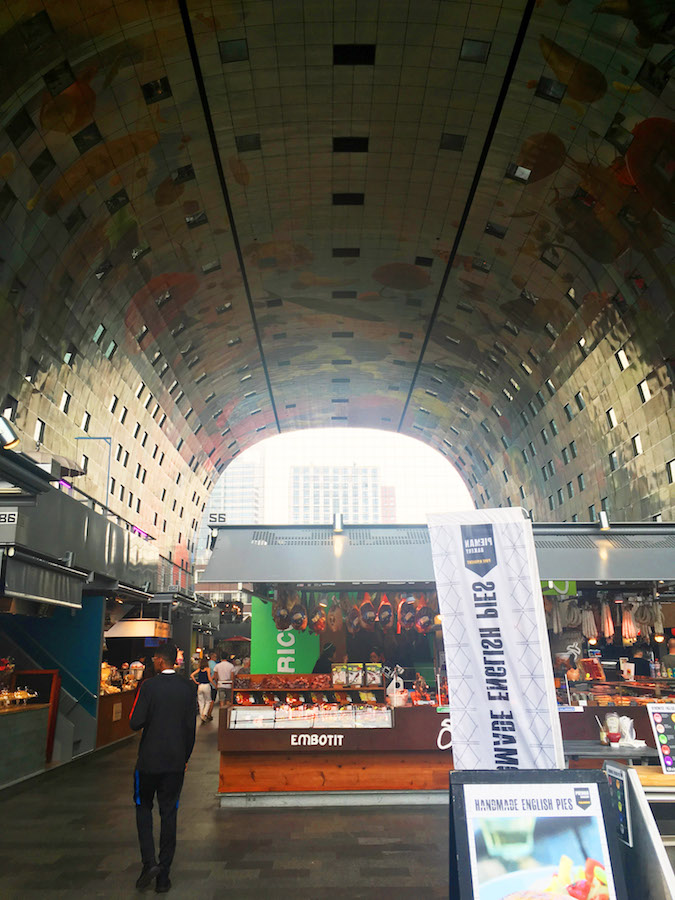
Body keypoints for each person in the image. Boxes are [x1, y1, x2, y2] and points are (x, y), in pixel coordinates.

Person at [129, 642, 196, 894]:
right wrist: (185, 758)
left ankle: (149, 863)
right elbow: (190, 729)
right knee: (169, 813)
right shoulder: (188, 687)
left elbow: (135, 722)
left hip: (148, 762)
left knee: (143, 807)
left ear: (159, 661)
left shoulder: (148, 686)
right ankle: (164, 876)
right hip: (175, 762)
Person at [190, 658, 216, 722]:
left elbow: (192, 675)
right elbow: (210, 679)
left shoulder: (199, 669)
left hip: (200, 686)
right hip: (206, 686)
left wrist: (196, 682)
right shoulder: (208, 669)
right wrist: (215, 685)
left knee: (200, 701)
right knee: (208, 701)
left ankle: (201, 715)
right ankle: (204, 714)